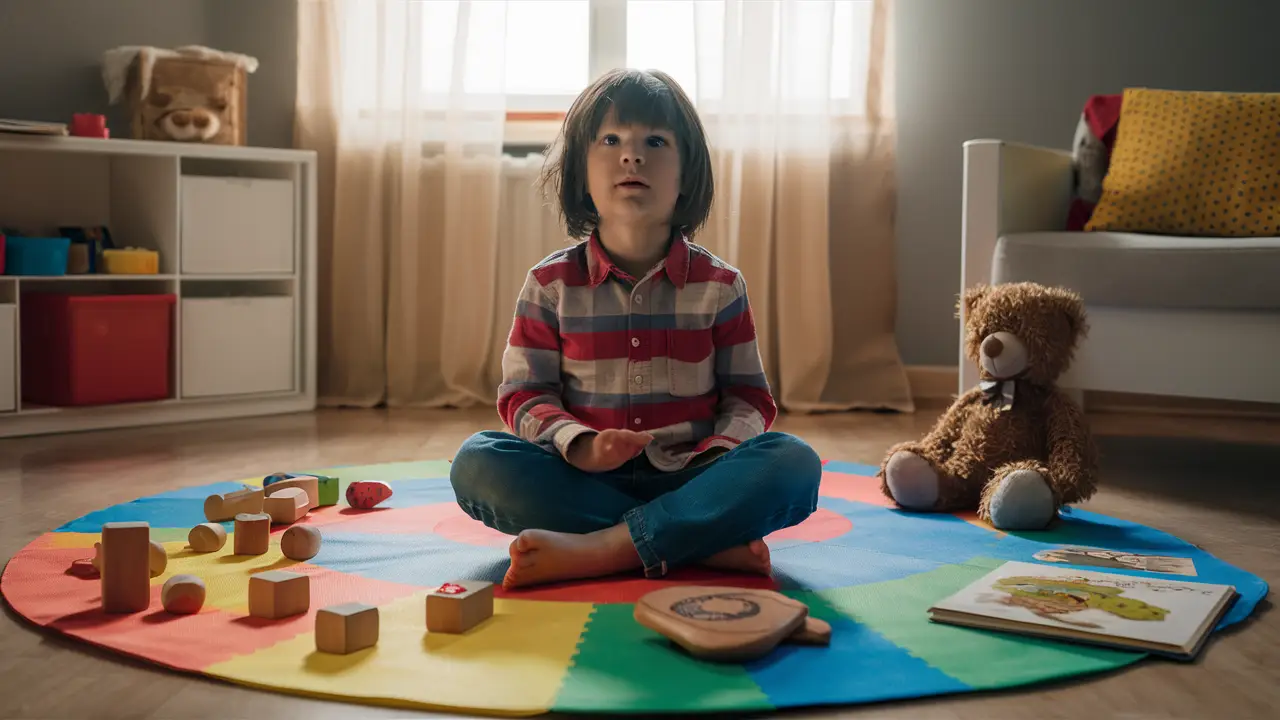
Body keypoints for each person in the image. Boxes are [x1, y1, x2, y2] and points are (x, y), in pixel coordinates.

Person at [449, 68, 822, 590]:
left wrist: (715, 456)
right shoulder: (549, 284)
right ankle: (696, 540)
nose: (632, 155)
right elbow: (525, 395)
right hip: (581, 480)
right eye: (610, 140)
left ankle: (603, 549)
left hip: (697, 477)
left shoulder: (720, 285)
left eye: (654, 140)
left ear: (687, 173)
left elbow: (748, 399)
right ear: (581, 172)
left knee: (794, 463)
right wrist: (580, 445)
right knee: (478, 463)